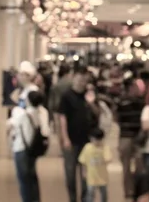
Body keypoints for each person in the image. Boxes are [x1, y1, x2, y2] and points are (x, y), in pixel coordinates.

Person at [59, 68, 100, 202]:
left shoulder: (89, 95)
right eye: (79, 79)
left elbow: (98, 113)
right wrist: (65, 138)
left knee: (86, 173)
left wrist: (90, 102)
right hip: (71, 139)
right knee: (70, 173)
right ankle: (72, 198)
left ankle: (85, 198)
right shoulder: (66, 96)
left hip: (87, 140)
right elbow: (62, 118)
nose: (81, 83)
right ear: (73, 79)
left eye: (84, 80)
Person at [8, 91, 50, 202]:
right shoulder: (42, 113)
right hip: (34, 148)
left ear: (28, 100)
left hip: (21, 148)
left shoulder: (23, 114)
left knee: (24, 181)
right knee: (32, 177)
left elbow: (12, 126)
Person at [116, 78, 146, 198]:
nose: (138, 89)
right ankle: (130, 191)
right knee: (127, 165)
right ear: (130, 88)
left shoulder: (139, 101)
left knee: (137, 165)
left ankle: (134, 189)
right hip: (127, 137)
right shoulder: (124, 101)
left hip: (135, 136)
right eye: (135, 86)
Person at [78, 128, 112, 202]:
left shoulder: (105, 147)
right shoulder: (87, 148)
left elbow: (108, 159)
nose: (97, 142)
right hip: (91, 176)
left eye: (99, 140)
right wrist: (84, 171)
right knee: (90, 193)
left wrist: (104, 157)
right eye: (95, 140)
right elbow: (83, 161)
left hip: (102, 176)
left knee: (104, 193)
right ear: (91, 139)